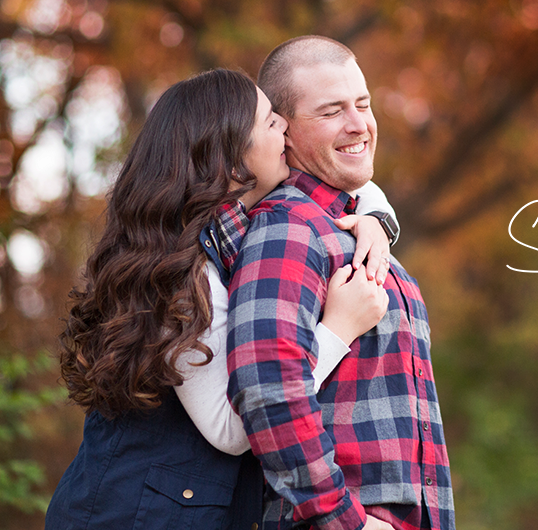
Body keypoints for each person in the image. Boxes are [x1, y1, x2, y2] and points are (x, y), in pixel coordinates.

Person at [46, 68, 396, 530]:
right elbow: (231, 430)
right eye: (272, 123)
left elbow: (355, 180)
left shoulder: (234, 233)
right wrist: (338, 329)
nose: (288, 130)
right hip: (132, 515)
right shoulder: (181, 270)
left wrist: (374, 220)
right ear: (231, 160)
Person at [224, 37, 454, 530]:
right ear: (282, 131)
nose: (359, 124)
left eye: (363, 104)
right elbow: (266, 386)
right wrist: (344, 520)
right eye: (332, 111)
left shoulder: (347, 224)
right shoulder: (288, 229)